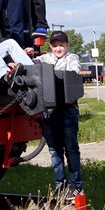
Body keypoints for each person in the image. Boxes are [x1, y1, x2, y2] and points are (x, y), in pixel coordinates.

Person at [34, 30, 84, 198]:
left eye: (61, 45)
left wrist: (49, 74)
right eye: (55, 45)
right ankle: (60, 185)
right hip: (49, 111)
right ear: (50, 46)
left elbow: (73, 72)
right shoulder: (45, 58)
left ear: (67, 46)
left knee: (71, 148)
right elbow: (31, 64)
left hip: (67, 109)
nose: (58, 48)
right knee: (54, 150)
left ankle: (76, 185)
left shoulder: (72, 58)